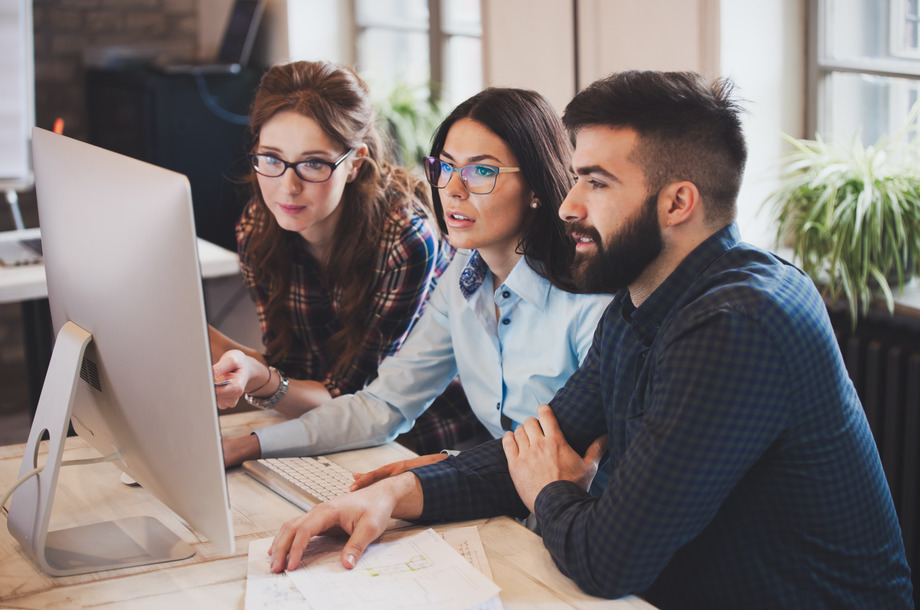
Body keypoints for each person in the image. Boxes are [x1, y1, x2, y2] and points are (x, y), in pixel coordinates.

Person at [264, 71, 914, 609]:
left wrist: (551, 490)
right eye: (575, 177)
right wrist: (390, 496)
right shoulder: (643, 301)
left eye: (596, 183)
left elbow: (609, 561)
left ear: (677, 202)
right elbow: (542, 440)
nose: (569, 204)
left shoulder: (736, 323)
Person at [218, 87, 612, 471]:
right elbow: (384, 405)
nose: (452, 190)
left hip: (574, 514)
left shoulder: (590, 301)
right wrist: (247, 447)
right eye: (445, 167)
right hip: (510, 492)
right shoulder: (464, 275)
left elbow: (564, 458)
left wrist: (423, 480)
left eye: (481, 171)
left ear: (536, 188)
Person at [209, 60, 477, 455]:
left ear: (354, 162)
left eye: (313, 163)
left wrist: (260, 378)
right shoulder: (259, 226)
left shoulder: (405, 240)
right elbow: (294, 373)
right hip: (316, 424)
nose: (288, 187)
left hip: (416, 436)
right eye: (271, 159)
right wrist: (201, 338)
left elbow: (355, 404)